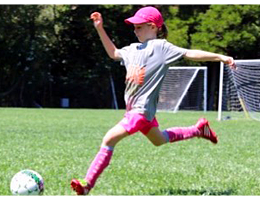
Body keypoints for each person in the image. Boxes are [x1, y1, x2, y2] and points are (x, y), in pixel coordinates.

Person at [71, 6, 236, 196]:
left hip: (140, 111)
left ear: (153, 27)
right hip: (136, 111)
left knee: (109, 139)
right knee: (160, 140)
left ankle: (86, 184)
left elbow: (189, 53)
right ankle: (198, 129)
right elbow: (114, 54)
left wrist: (220, 57)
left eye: (138, 27)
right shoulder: (132, 49)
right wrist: (100, 28)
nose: (135, 30)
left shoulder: (162, 47)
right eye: (133, 27)